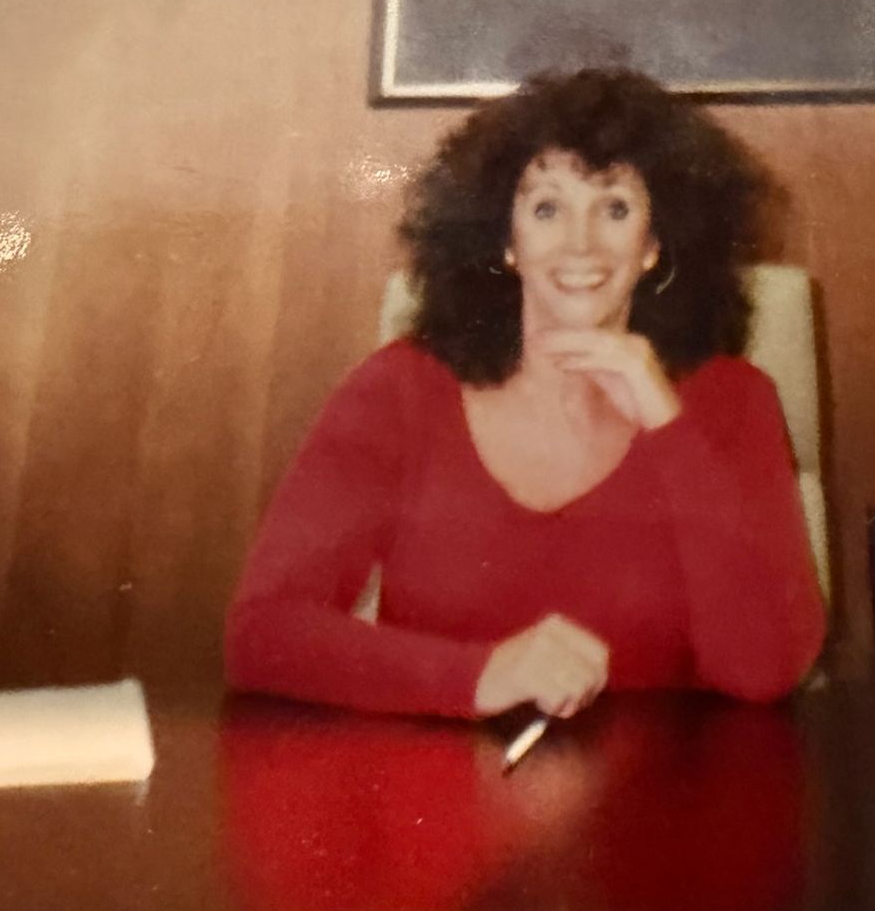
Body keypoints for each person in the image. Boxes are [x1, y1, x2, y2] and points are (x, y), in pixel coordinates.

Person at [225, 68, 825, 719]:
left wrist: (668, 425)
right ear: (506, 241)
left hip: (662, 777)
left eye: (615, 209)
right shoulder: (400, 389)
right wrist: (478, 676)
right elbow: (262, 634)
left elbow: (763, 669)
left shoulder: (734, 400)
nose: (580, 243)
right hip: (442, 775)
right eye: (546, 209)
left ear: (654, 243)